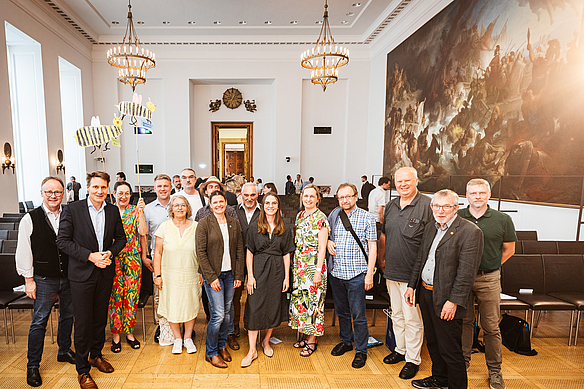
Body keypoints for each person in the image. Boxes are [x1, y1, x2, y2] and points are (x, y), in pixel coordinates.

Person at [405, 189, 483, 389]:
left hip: (447, 299)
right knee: (433, 342)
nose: (440, 210)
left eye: (446, 206)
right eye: (437, 206)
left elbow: (466, 273)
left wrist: (453, 301)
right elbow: (421, 259)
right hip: (426, 293)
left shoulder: (470, 232)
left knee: (450, 349)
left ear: (456, 208)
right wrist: (411, 286)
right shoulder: (431, 227)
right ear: (431, 207)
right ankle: (440, 379)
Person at [57, 171, 127, 389]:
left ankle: (96, 355)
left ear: (108, 189)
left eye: (103, 188)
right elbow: (63, 241)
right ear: (88, 187)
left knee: (99, 319)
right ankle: (82, 370)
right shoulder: (73, 210)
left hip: (105, 272)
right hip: (81, 275)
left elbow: (122, 238)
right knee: (84, 322)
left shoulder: (113, 210)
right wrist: (90, 256)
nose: (99, 191)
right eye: (95, 187)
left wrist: (109, 253)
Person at [16, 176, 75, 387]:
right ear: (42, 193)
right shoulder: (30, 218)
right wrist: (28, 279)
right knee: (39, 321)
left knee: (68, 316)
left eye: (58, 192)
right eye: (49, 192)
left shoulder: (70, 214)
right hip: (43, 278)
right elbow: (23, 250)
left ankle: (64, 350)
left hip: (68, 277)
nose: (53, 196)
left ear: (63, 194)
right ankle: (33, 365)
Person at [459, 178, 517, 389]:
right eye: (473, 193)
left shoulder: (503, 219)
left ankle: (495, 371)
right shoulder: (457, 216)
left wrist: (492, 265)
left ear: (488, 194)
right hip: (462, 278)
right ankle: (462, 364)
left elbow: (509, 249)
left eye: (482, 193)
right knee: (464, 323)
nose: (478, 197)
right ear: (467, 195)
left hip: (489, 278)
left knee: (491, 326)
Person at [381, 167, 432, 380]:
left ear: (416, 181)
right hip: (391, 271)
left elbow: (430, 243)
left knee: (412, 319)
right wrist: (382, 261)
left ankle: (413, 359)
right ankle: (400, 350)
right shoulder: (392, 205)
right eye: (399, 181)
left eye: (407, 181)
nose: (403, 184)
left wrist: (417, 275)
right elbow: (384, 235)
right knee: (397, 315)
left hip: (413, 275)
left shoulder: (427, 205)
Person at [327, 183, 377, 369]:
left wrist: (369, 274)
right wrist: (327, 243)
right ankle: (347, 341)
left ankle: (361, 350)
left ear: (356, 197)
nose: (345, 200)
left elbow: (373, 247)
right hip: (337, 273)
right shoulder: (334, 215)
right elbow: (327, 236)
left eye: (348, 196)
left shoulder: (367, 218)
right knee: (341, 311)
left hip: (357, 274)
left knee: (358, 315)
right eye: (341, 197)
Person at [241, 193, 295, 367]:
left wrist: (287, 276)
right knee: (254, 307)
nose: (270, 206)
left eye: (274, 203)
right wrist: (250, 275)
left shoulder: (284, 227)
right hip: (258, 269)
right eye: (267, 203)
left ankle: (266, 341)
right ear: (262, 205)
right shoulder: (254, 226)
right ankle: (251, 350)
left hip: (277, 271)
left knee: (273, 306)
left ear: (278, 206)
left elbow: (287, 253)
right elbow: (249, 252)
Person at [196, 191, 245, 368]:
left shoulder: (233, 223)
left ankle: (222, 344)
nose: (218, 205)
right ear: (210, 205)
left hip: (230, 274)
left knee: (227, 312)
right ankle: (211, 352)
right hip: (214, 276)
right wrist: (211, 277)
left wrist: (239, 275)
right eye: (214, 202)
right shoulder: (204, 224)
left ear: (226, 203)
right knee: (217, 315)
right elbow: (200, 253)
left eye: (221, 201)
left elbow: (239, 250)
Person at [153, 195, 201, 354]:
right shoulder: (164, 227)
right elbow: (158, 253)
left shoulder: (197, 227)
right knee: (172, 306)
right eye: (176, 205)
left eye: (183, 205)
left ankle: (188, 338)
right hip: (169, 275)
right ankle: (177, 339)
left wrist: (201, 273)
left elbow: (202, 253)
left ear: (187, 208)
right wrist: (157, 275)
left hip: (191, 273)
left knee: (190, 304)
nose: (180, 208)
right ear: (171, 209)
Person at [289, 184, 330, 357]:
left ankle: (312, 340)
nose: (308, 199)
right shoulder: (300, 216)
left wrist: (318, 271)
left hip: (314, 266)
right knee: (303, 303)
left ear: (317, 198)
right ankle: (306, 336)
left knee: (314, 303)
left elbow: (322, 248)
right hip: (300, 267)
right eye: (305, 196)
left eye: (312, 196)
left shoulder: (321, 218)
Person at [108, 181, 147, 353]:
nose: (123, 196)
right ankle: (116, 335)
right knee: (115, 297)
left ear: (131, 195)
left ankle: (129, 332)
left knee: (131, 296)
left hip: (132, 258)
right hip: (113, 258)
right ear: (114, 193)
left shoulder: (134, 211)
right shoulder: (108, 211)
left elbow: (143, 232)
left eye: (127, 193)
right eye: (120, 193)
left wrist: (141, 212)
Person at [143, 174, 172, 343]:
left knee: (176, 291)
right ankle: (162, 326)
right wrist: (146, 256)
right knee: (159, 293)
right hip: (157, 257)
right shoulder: (148, 209)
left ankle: (179, 324)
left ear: (170, 188)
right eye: (159, 186)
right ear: (155, 188)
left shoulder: (177, 204)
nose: (162, 189)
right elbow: (144, 235)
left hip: (177, 257)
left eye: (165, 186)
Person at [234, 183, 261, 338]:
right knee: (235, 295)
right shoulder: (233, 210)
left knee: (255, 294)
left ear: (257, 194)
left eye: (253, 195)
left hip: (258, 260)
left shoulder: (265, 210)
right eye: (246, 195)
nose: (249, 198)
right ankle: (235, 325)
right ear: (241, 195)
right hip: (237, 259)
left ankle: (251, 323)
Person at [368, 176, 390, 274]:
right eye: (388, 184)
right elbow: (380, 210)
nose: (389, 186)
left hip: (371, 218)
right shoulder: (381, 193)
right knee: (379, 243)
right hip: (377, 221)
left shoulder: (373, 191)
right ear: (384, 183)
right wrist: (382, 222)